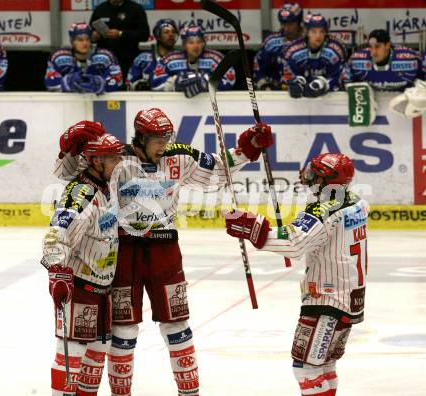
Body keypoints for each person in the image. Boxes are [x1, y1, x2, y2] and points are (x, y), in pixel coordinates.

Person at [53, 107, 274, 395]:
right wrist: (70, 144)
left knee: (177, 324)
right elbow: (67, 174)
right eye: (158, 139)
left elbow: (220, 167)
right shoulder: (116, 158)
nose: (164, 145)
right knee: (124, 330)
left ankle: (189, 392)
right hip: (124, 251)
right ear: (141, 137)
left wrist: (249, 144)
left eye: (167, 138)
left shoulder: (178, 157)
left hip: (166, 250)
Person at [224, 153, 368, 396]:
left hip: (327, 299)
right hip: (351, 299)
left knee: (306, 367)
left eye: (314, 173)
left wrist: (254, 229)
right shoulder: (357, 202)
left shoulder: (324, 209)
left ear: (326, 179)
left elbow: (294, 244)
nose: (309, 177)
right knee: (324, 364)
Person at [42, 121, 123, 395]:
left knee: (97, 354)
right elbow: (57, 233)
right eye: (113, 157)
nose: (118, 161)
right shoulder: (81, 193)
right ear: (95, 160)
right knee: (71, 353)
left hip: (103, 289)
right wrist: (56, 273)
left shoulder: (105, 182)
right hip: (80, 287)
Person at [151, 26, 236, 97]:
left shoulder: (216, 58)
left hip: (211, 105)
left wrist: (206, 82)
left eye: (199, 42)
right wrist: (176, 82)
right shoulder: (170, 59)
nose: (195, 46)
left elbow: (230, 80)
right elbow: (155, 84)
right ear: (184, 45)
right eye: (191, 42)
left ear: (203, 43)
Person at [45, 22, 123, 94]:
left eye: (87, 39)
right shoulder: (58, 57)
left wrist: (100, 83)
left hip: (98, 104)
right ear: (72, 41)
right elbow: (50, 84)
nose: (85, 43)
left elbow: (118, 82)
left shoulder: (106, 56)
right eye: (80, 40)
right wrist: (69, 82)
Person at [285, 14, 347, 99]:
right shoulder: (293, 51)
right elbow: (289, 74)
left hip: (330, 100)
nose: (318, 36)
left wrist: (322, 84)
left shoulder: (335, 49)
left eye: (321, 31)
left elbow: (339, 76)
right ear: (306, 32)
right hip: (301, 104)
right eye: (314, 31)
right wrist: (295, 82)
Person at [343, 29, 424, 92]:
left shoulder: (409, 58)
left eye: (377, 46)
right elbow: (344, 83)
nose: (373, 52)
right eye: (370, 47)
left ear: (387, 45)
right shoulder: (357, 59)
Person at [90, 0, 150, 81]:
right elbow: (90, 33)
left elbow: (144, 34)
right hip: (104, 63)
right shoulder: (100, 9)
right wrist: (93, 36)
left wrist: (121, 34)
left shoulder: (136, 8)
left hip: (128, 61)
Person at [253, 2, 303, 90]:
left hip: (305, 90)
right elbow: (260, 68)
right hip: (276, 91)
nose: (286, 28)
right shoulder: (272, 43)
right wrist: (264, 85)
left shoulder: (309, 41)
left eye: (290, 24)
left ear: (298, 22)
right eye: (283, 24)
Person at [126, 18, 178, 91]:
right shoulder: (143, 58)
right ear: (158, 35)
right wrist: (137, 85)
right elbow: (128, 84)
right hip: (146, 100)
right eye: (166, 32)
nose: (171, 35)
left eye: (173, 32)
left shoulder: (181, 57)